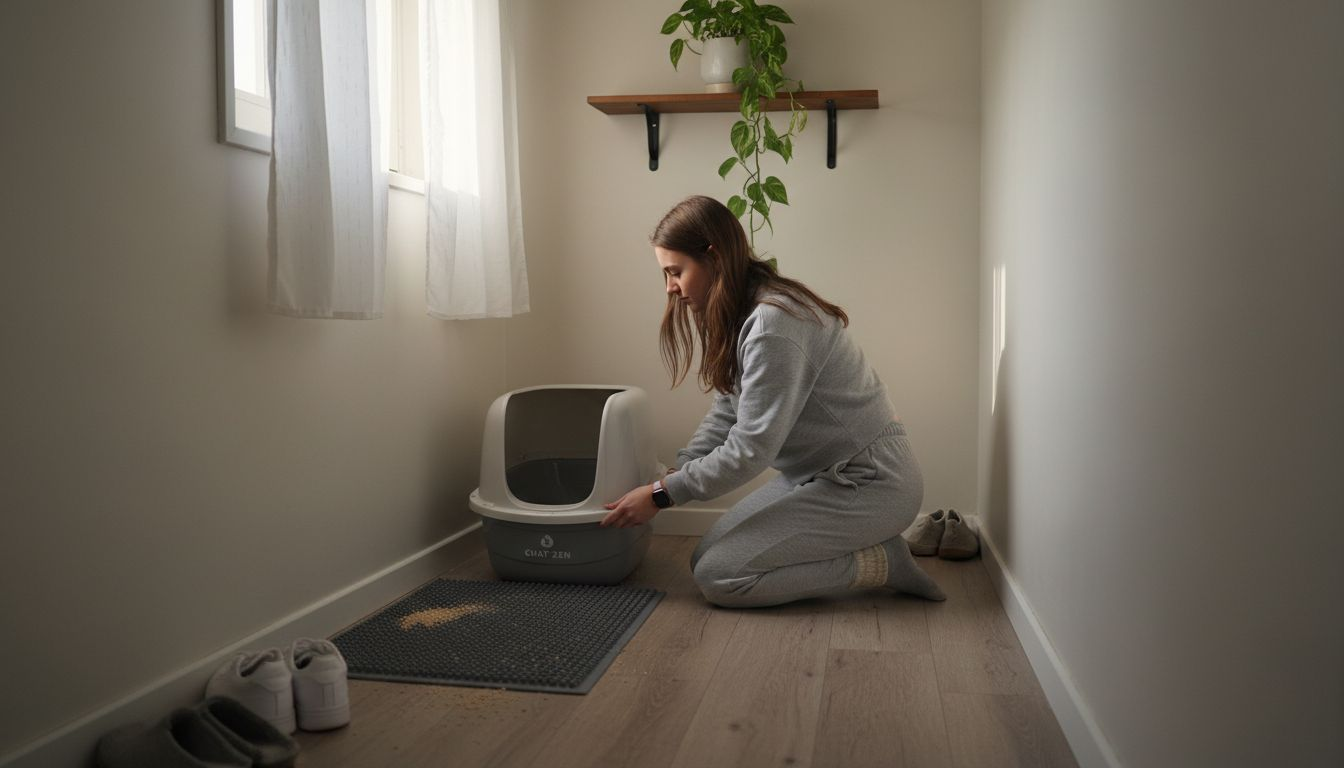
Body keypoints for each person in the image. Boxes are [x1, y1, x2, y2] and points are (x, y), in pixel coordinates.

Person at [600, 195, 945, 608]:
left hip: (873, 482)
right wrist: (681, 468)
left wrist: (662, 493)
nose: (670, 288)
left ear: (713, 257)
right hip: (818, 475)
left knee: (721, 576)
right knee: (703, 556)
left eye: (676, 272)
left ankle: (882, 562)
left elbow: (751, 449)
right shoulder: (741, 310)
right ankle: (861, 546)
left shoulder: (772, 324)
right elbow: (729, 408)